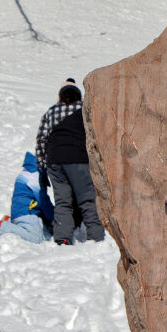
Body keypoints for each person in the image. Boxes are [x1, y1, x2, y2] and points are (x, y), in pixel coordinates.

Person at [36, 79, 103, 247]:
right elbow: (96, 136)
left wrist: (42, 167)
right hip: (78, 159)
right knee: (87, 200)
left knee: (63, 202)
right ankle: (95, 237)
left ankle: (62, 238)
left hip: (55, 160)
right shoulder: (85, 110)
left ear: (60, 96)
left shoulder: (51, 112)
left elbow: (41, 140)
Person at [0, 152, 55, 243]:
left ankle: (10, 222)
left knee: (44, 235)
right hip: (26, 213)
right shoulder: (34, 176)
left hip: (24, 211)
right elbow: (43, 201)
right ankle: (2, 228)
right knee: (36, 238)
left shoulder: (30, 171)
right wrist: (53, 218)